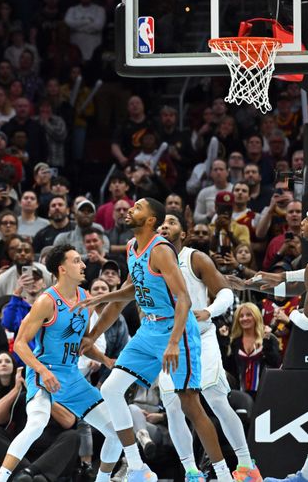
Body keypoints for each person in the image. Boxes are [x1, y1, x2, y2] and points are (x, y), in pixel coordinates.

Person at [81, 198, 234, 482]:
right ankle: (137, 467)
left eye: (137, 207)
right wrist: (93, 332)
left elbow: (184, 299)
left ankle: (224, 475)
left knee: (190, 403)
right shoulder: (130, 248)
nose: (129, 209)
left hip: (176, 331)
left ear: (151, 220)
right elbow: (128, 293)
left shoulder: (161, 250)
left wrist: (174, 342)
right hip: (148, 331)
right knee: (112, 389)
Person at [0, 245, 121, 482]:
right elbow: (20, 343)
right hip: (44, 371)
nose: (83, 265)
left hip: (71, 375)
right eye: (76, 261)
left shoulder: (86, 299)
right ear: (62, 269)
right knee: (37, 423)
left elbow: (82, 343)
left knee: (116, 433)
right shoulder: (46, 301)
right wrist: (40, 370)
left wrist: (105, 360)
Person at [157, 212, 262, 480]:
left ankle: (247, 465)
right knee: (171, 404)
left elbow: (226, 291)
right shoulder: (149, 261)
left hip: (201, 337)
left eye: (171, 222)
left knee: (216, 399)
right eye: (161, 223)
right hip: (169, 341)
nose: (164, 226)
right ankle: (191, 470)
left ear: (184, 232)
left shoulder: (195, 258)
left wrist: (210, 310)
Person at [250, 202, 308, 482]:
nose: (300, 224)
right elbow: (294, 279)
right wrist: (251, 282)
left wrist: (287, 315)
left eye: (306, 220)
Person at [225, 303, 281, 398]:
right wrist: (223, 340)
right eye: (241, 316)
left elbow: (276, 363)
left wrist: (266, 341)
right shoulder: (234, 342)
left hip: (265, 394)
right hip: (240, 395)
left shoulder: (268, 339)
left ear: (256, 317)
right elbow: (227, 367)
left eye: (249, 315)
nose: (244, 318)